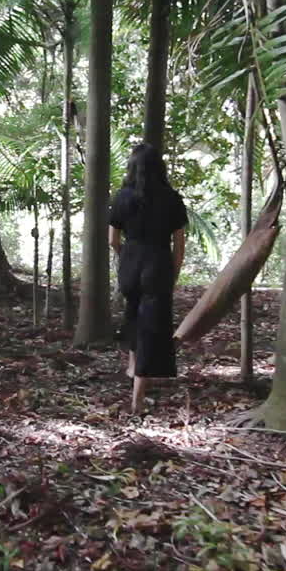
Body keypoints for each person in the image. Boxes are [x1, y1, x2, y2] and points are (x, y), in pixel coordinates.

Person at [108, 142, 187, 413]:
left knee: (132, 315)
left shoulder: (122, 196)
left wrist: (127, 256)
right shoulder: (171, 198)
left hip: (130, 263)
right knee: (150, 332)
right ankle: (137, 402)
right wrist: (173, 274)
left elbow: (112, 239)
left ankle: (132, 369)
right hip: (158, 263)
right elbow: (179, 245)